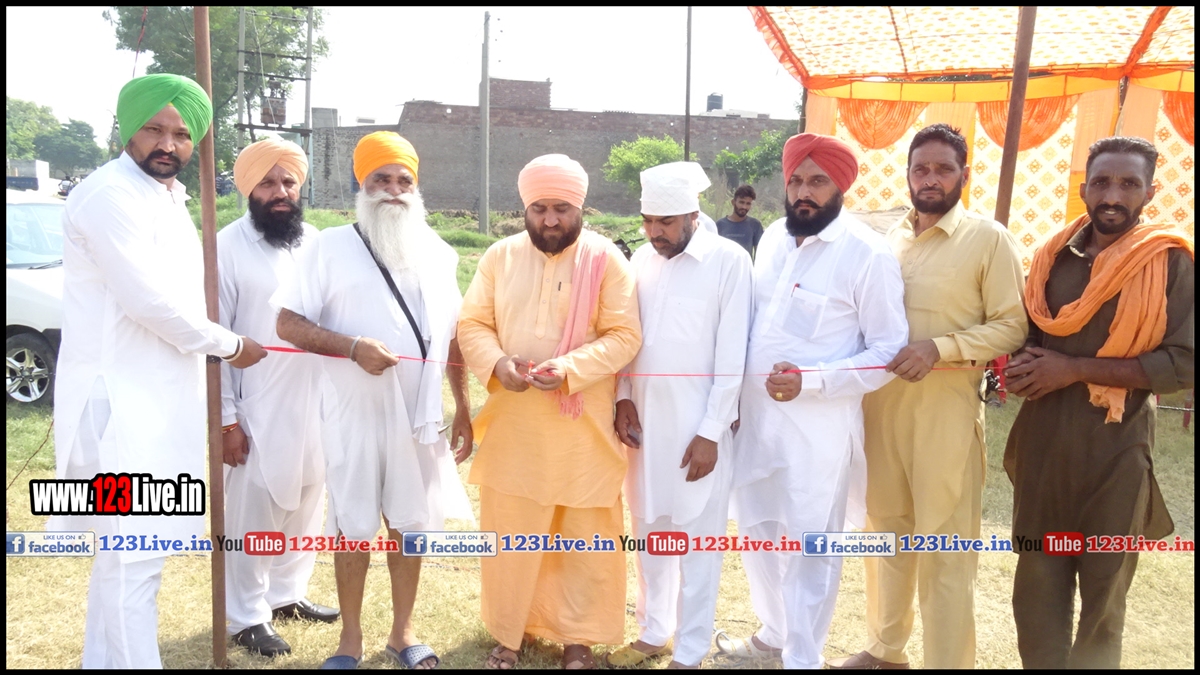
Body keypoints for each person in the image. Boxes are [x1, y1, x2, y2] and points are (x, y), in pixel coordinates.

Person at [48, 73, 267, 669]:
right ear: (128, 129)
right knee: (133, 560)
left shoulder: (166, 196)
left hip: (159, 403)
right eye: (154, 129)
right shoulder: (108, 195)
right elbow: (148, 303)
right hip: (120, 411)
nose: (168, 144)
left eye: (182, 133)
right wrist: (230, 345)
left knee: (130, 559)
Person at [273, 131, 474, 670]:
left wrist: (461, 406)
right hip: (353, 412)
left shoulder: (440, 252)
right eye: (380, 179)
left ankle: (403, 633)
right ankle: (350, 639)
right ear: (360, 185)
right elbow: (287, 322)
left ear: (417, 187)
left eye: (404, 180)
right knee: (352, 523)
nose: (393, 190)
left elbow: (452, 337)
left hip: (419, 415)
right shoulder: (328, 246)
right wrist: (352, 347)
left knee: (410, 524)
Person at [831, 124, 1028, 670]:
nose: (931, 179)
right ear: (908, 175)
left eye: (944, 169)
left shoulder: (988, 239)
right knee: (886, 535)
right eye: (922, 169)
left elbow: (1012, 326)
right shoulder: (886, 241)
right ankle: (885, 650)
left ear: (965, 174)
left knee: (944, 550)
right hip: (880, 411)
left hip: (946, 414)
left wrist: (940, 348)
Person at [715, 134, 908, 669]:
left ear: (840, 186)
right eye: (796, 180)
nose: (804, 192)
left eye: (818, 181)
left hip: (817, 434)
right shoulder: (773, 239)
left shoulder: (867, 254)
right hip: (756, 422)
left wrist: (815, 380)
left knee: (810, 544)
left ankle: (803, 656)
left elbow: (888, 351)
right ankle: (773, 633)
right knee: (757, 531)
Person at [1003, 136, 1193, 669]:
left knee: (1104, 594)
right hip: (1044, 443)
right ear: (1084, 188)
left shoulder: (1169, 262)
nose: (1113, 195)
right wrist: (1022, 365)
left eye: (1129, 184)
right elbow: (1032, 332)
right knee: (1037, 586)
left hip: (1117, 447)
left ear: (1149, 192)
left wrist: (1073, 370)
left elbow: (1184, 363)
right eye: (1102, 182)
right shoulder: (1052, 256)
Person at [456, 154, 642, 670]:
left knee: (584, 534)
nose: (551, 219)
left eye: (562, 208)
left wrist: (570, 368)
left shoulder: (606, 259)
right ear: (525, 209)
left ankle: (578, 638)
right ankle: (509, 633)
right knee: (512, 530)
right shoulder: (499, 256)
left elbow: (625, 335)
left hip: (581, 424)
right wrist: (498, 364)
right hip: (516, 422)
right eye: (539, 209)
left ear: (580, 207)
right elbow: (472, 323)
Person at [608, 162, 753, 669]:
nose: (655, 233)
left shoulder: (729, 261)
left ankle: (689, 651)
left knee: (697, 543)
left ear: (693, 215)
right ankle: (654, 631)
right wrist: (623, 396)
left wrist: (712, 431)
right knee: (649, 530)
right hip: (645, 425)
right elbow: (628, 338)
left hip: (699, 428)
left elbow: (733, 355)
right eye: (648, 221)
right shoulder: (642, 261)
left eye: (666, 222)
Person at [219, 137, 338, 658]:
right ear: (249, 189)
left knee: (309, 495)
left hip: (317, 396)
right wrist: (226, 420)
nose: (280, 191)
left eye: (288, 181)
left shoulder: (317, 241)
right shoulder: (226, 247)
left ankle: (287, 593)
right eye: (267, 182)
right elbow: (215, 339)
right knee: (255, 511)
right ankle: (247, 615)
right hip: (257, 401)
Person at [716, 185, 764, 259]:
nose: (744, 207)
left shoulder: (755, 225)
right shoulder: (719, 225)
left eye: (748, 203)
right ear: (733, 202)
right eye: (741, 202)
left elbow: (760, 255)